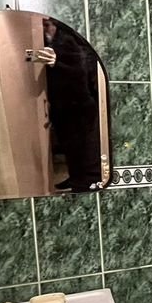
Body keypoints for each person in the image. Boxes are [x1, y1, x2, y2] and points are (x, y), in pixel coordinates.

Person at [42, 17, 102, 191]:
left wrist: (57, 62)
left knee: (84, 147)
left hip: (80, 105)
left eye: (46, 25)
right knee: (71, 148)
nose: (45, 29)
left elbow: (81, 70)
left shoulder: (69, 39)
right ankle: (77, 177)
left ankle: (87, 179)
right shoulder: (49, 40)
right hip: (64, 106)